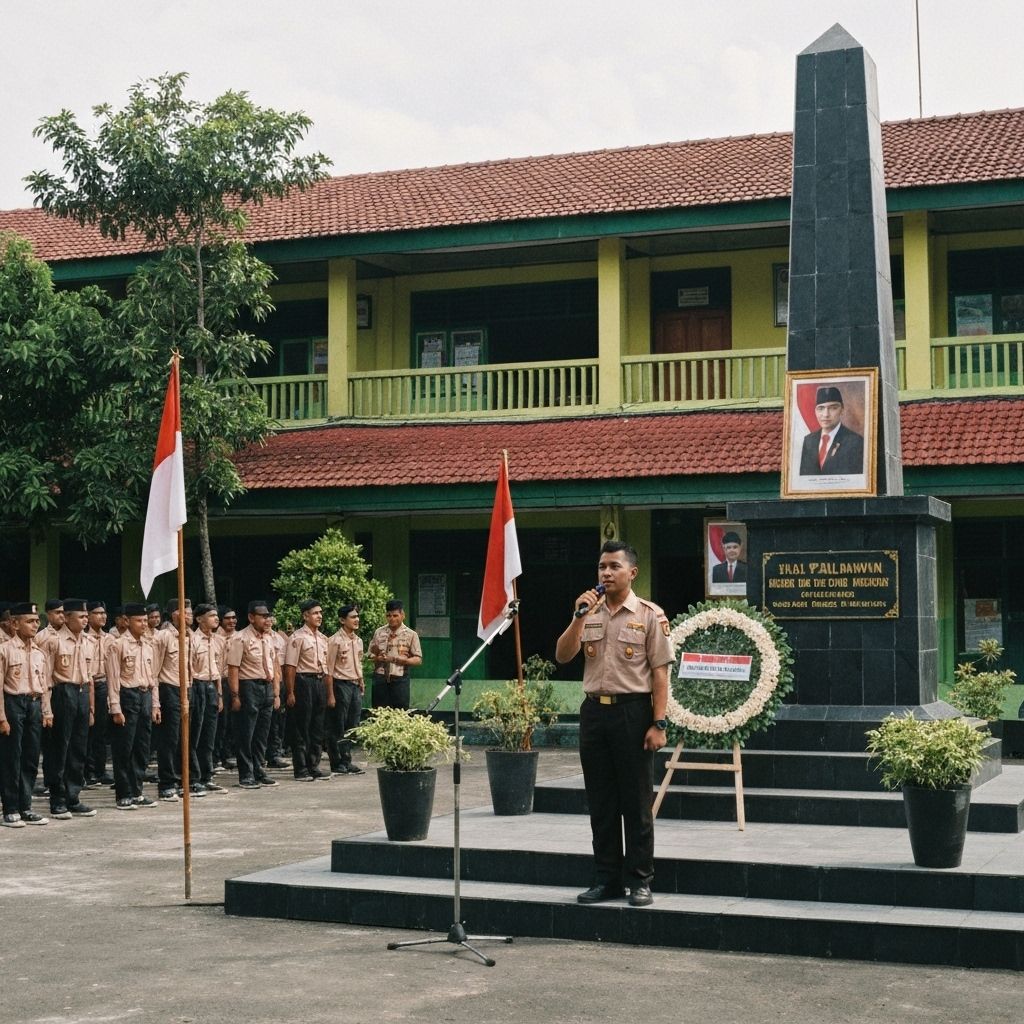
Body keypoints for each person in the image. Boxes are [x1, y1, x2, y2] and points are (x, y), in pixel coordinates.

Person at [555, 539, 673, 908]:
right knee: (601, 802)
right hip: (594, 713)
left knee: (635, 802)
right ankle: (606, 879)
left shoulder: (650, 615)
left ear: (631, 572)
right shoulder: (588, 612)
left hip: (633, 713)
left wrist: (659, 722)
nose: (606, 572)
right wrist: (578, 616)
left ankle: (640, 880)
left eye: (614, 567)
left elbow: (660, 675)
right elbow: (562, 655)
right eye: (602, 566)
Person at [38, 598, 98, 819]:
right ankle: (58, 799)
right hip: (62, 693)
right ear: (67, 617)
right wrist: (46, 709)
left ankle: (73, 797)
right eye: (81, 617)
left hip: (81, 693)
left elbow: (90, 677)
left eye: (86, 616)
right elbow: (44, 677)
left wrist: (91, 708)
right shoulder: (52, 641)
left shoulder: (89, 641)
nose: (85, 620)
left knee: (78, 748)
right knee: (59, 748)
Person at [0, 603, 53, 827]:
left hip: (33, 704)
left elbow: (45, 684)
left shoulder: (39, 653)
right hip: (13, 703)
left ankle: (26, 806)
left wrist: (46, 711)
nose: (35, 625)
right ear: (14, 623)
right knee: (12, 757)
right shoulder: (4, 650)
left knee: (31, 757)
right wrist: (1, 717)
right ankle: (10, 808)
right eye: (29, 621)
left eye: (36, 621)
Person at [106, 602, 161, 810]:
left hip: (145, 695)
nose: (144, 624)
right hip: (127, 696)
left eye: (145, 620)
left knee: (142, 747)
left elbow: (153, 677)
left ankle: (137, 790)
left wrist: (156, 705)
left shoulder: (149, 645)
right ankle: (124, 794)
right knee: (124, 748)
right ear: (127, 621)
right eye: (139, 620)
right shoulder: (118, 645)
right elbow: (113, 678)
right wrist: (115, 707)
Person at [225, 601, 281, 790]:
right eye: (263, 616)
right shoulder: (240, 638)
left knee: (262, 733)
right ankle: (246, 773)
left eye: (268, 616)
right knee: (246, 733)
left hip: (266, 688)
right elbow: (233, 669)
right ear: (251, 617)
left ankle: (259, 768)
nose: (267, 620)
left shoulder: (269, 638)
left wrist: (276, 692)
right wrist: (235, 696)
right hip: (248, 687)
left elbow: (274, 665)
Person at [283, 600, 330, 781]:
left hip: (318, 682)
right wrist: (291, 692)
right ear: (305, 616)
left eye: (320, 613)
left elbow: (325, 667)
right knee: (301, 726)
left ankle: (314, 765)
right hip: (303, 682)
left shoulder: (323, 638)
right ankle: (301, 768)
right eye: (315, 613)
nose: (319, 616)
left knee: (317, 727)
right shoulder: (297, 638)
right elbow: (290, 667)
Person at [151, 599, 191, 802]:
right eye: (186, 612)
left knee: (184, 739)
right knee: (170, 739)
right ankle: (167, 783)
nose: (190, 615)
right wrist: (156, 702)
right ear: (175, 614)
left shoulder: (188, 636)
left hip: (186, 690)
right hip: (169, 690)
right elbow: (154, 672)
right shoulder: (163, 637)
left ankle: (181, 780)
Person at [324, 605, 366, 776]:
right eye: (352, 617)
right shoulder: (335, 640)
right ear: (342, 620)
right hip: (340, 685)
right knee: (337, 725)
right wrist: (330, 694)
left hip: (355, 684)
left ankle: (347, 760)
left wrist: (361, 681)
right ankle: (336, 761)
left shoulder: (358, 640)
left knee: (352, 725)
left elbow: (359, 663)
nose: (356, 620)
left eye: (357, 616)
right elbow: (329, 669)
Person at [189, 603, 225, 794]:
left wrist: (219, 695)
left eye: (216, 615)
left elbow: (218, 669)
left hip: (212, 687)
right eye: (211, 616)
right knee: (196, 734)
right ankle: (194, 778)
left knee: (210, 735)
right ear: (199, 619)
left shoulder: (219, 640)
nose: (216, 619)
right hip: (197, 686)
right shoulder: (193, 640)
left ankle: (207, 775)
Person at [798, 385, 865, 476]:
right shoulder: (809, 441)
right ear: (815, 411)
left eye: (833, 408)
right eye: (821, 408)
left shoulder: (855, 442)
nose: (826, 414)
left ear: (842, 410)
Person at [368, 600, 422, 710]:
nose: (391, 618)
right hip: (380, 678)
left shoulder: (411, 634)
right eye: (388, 615)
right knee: (378, 712)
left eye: (395, 615)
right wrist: (377, 658)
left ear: (403, 615)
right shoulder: (379, 632)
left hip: (400, 678)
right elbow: (370, 655)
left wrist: (398, 660)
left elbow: (418, 659)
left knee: (400, 712)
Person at [84, 601, 116, 788]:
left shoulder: (109, 639)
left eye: (104, 613)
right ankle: (88, 771)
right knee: (87, 729)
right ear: (88, 616)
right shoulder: (83, 638)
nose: (103, 617)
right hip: (89, 684)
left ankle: (100, 769)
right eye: (98, 613)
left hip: (104, 684)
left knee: (102, 731)